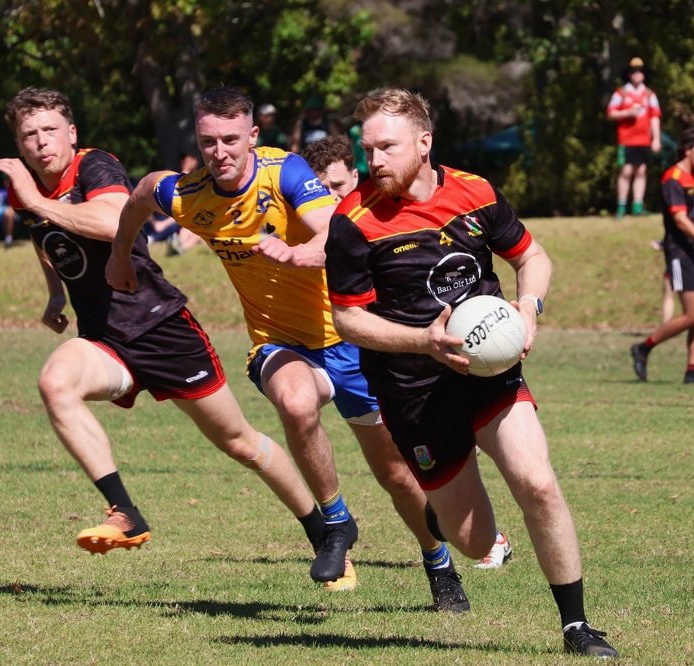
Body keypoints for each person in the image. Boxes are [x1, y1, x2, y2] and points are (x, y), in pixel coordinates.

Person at [109, 86, 478, 607]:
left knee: (397, 474)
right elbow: (143, 192)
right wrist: (120, 256)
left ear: (253, 136)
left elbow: (334, 230)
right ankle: (336, 522)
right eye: (209, 141)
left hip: (353, 339)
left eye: (231, 139)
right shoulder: (188, 194)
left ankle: (438, 563)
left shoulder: (285, 173)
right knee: (296, 401)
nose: (220, 152)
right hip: (280, 342)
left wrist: (303, 252)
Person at [324, 87, 619, 658]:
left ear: (424, 143)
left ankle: (577, 626)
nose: (374, 161)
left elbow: (532, 257)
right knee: (474, 540)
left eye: (387, 147)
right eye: (368, 149)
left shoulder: (474, 192)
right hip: (412, 390)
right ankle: (446, 513)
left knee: (537, 483)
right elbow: (348, 320)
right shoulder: (352, 222)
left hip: (489, 370)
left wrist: (528, 308)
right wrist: (424, 342)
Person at [0, 87, 326, 572]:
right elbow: (44, 238)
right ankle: (125, 512)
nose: (41, 142)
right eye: (29, 134)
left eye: (50, 130)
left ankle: (322, 530)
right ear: (19, 144)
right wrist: (54, 293)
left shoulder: (93, 167)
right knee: (55, 382)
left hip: (161, 327)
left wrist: (35, 203)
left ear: (72, 133)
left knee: (239, 442)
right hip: (103, 337)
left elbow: (111, 220)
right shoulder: (26, 188)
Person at [303, 133, 515, 570]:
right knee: (396, 473)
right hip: (353, 355)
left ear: (355, 178)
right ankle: (432, 524)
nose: (329, 197)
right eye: (319, 190)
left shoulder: (366, 218)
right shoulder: (330, 223)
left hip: (393, 356)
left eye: (337, 186)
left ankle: (471, 532)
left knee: (428, 463)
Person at [629, 127, 694, 385]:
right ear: (687, 151)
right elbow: (681, 221)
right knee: (692, 314)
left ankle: (693, 371)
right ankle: (643, 347)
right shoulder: (673, 178)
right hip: (681, 252)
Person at [606, 57, 661, 218]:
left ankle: (638, 206)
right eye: (634, 71)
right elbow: (610, 113)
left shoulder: (649, 94)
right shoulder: (621, 93)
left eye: (640, 71)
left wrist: (656, 138)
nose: (637, 74)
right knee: (626, 171)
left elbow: (655, 117)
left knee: (641, 171)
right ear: (629, 74)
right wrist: (626, 113)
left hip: (644, 140)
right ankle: (621, 206)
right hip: (626, 139)